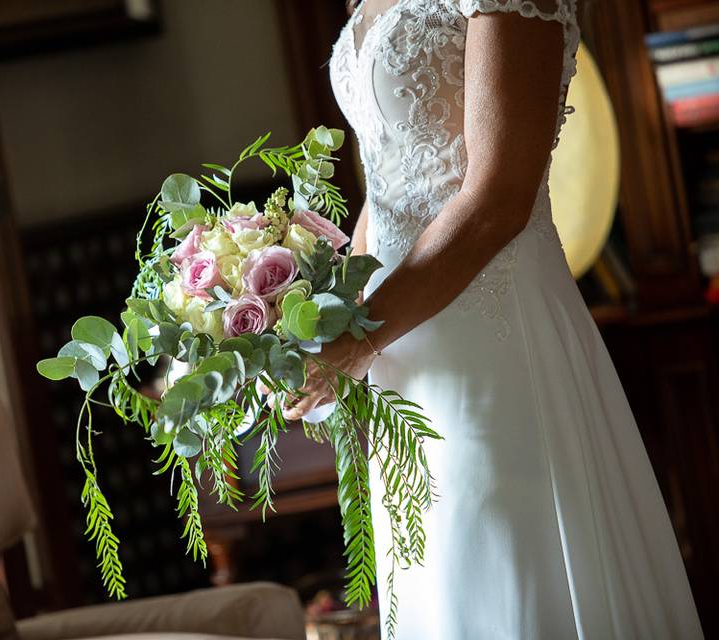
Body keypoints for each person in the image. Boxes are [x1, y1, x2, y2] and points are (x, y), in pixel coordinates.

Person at [284, 0, 704, 637]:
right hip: (402, 352)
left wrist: (361, 333)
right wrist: (324, 322)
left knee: (504, 563)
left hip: (493, 331)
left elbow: (497, 198)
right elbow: (386, 180)